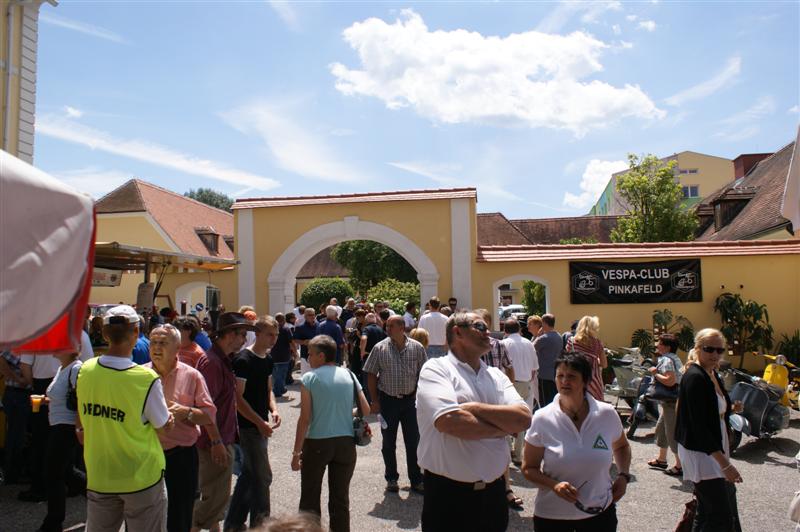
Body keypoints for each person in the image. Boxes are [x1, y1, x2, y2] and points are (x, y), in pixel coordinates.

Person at [416, 312, 531, 532]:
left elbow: (523, 419)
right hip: (448, 497)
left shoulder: (497, 376)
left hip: (493, 496)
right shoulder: (436, 369)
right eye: (480, 326)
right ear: (457, 332)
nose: (488, 331)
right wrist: (503, 428)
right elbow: (450, 422)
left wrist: (473, 408)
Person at [76, 305, 174, 531]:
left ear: (104, 333)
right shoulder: (145, 378)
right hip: (141, 475)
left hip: (101, 471)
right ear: (137, 332)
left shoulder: (86, 370)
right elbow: (162, 425)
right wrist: (171, 418)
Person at [522, 352, 632, 531]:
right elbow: (528, 468)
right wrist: (554, 485)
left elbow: (621, 446)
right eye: (560, 376)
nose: (565, 381)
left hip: (600, 514)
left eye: (572, 376)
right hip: (553, 516)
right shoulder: (542, 418)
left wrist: (623, 475)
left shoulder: (606, 413)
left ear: (585, 381)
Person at [291, 335, 370, 532]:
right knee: (340, 498)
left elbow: (305, 419)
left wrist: (295, 453)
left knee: (310, 497)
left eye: (310, 354)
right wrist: (345, 412)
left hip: (317, 442)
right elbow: (365, 409)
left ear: (321, 355)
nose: (308, 358)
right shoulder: (350, 375)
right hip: (345, 444)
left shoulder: (310, 378)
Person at [146, 324, 219, 532]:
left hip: (181, 457)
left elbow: (209, 415)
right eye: (153, 342)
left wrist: (186, 412)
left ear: (177, 347)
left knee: (180, 514)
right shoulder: (138, 375)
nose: (156, 347)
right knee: (145, 514)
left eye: (163, 343)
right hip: (146, 454)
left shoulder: (192, 375)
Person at [192, 312, 257, 532]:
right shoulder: (212, 363)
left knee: (216, 499)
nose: (244, 340)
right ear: (229, 335)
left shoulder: (221, 359)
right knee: (212, 501)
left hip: (220, 438)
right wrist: (216, 442)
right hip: (214, 441)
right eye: (242, 335)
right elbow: (205, 408)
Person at [675, 328, 743, 531]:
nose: (715, 354)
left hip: (712, 446)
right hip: (702, 451)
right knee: (719, 515)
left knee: (710, 509)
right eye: (709, 349)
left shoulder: (712, 372)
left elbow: (710, 410)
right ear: (697, 349)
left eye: (719, 350)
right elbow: (699, 426)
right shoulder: (695, 377)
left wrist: (730, 408)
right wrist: (725, 465)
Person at [226, 317, 282, 531]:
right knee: (263, 476)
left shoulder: (267, 359)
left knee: (250, 475)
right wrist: (259, 422)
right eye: (269, 334)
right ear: (257, 334)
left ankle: (233, 523)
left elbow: (268, 389)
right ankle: (262, 524)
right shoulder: (243, 360)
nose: (273, 339)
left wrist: (274, 410)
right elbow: (237, 399)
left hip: (260, 425)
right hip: (247, 427)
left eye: (276, 335)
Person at [363, 315, 427, 493]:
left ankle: (416, 479)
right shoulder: (380, 348)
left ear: (401, 327)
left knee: (413, 441)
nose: (387, 329)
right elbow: (370, 374)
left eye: (391, 326)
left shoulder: (417, 347)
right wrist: (374, 400)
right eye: (387, 326)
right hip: (388, 401)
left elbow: (425, 372)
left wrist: (419, 394)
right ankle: (391, 478)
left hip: (410, 402)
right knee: (388, 442)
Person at [474, 308, 521, 510]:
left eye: (482, 324)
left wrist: (507, 393)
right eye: (476, 325)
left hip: (495, 401)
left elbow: (509, 367)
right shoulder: (466, 347)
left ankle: (506, 488)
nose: (480, 329)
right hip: (477, 401)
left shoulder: (499, 345)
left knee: (500, 444)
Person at [38, 349, 84, 532]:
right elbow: (66, 397)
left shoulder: (76, 369)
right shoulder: (63, 368)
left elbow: (81, 399)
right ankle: (101, 494)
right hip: (59, 424)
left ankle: (53, 522)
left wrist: (80, 428)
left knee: (53, 473)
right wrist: (46, 400)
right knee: (66, 472)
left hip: (67, 427)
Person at [18, 353, 61, 502]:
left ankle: (39, 488)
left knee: (39, 440)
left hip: (41, 386)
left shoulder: (35, 336)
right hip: (61, 383)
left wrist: (33, 386)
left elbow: (25, 366)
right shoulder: (71, 335)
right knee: (57, 436)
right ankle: (58, 485)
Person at [502, 318, 539, 465]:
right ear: (519, 329)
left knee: (505, 417)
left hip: (509, 383)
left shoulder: (504, 344)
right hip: (525, 383)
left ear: (505, 330)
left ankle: (508, 449)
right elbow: (535, 367)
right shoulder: (529, 343)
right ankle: (518, 454)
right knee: (523, 419)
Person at [646, 333, 684, 477]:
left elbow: (670, 381)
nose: (657, 345)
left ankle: (680, 465)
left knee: (671, 432)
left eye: (660, 343)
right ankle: (662, 459)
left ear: (667, 347)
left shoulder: (667, 360)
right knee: (661, 428)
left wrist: (655, 373)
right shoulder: (675, 358)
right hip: (672, 399)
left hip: (671, 401)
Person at [0, 350, 31, 486]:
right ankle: (12, 474)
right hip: (17, 394)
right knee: (16, 436)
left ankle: (15, 472)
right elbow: (1, 358)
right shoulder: (17, 344)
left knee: (18, 434)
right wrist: (17, 379)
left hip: (18, 394)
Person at [565, 316, 607, 402]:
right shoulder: (597, 343)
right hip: (593, 381)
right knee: (595, 409)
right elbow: (604, 364)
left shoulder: (571, 342)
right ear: (594, 328)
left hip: (576, 379)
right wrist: (595, 361)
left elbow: (568, 360)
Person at [534, 314, 562, 407]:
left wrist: (537, 335)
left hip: (544, 374)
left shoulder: (544, 338)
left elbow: (531, 348)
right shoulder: (559, 336)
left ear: (545, 323)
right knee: (554, 399)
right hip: (554, 372)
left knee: (545, 402)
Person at [270, 313, 295, 399]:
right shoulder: (286, 329)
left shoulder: (271, 329)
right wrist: (295, 352)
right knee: (281, 374)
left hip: (272, 355)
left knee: (275, 375)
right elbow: (291, 342)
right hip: (283, 356)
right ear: (283, 320)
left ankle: (280, 388)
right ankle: (278, 391)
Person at [293, 307, 318, 374]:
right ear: (305, 316)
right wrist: (303, 342)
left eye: (313, 314)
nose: (312, 316)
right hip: (305, 355)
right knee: (305, 377)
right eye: (309, 315)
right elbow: (295, 339)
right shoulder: (300, 328)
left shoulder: (319, 326)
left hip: (318, 356)